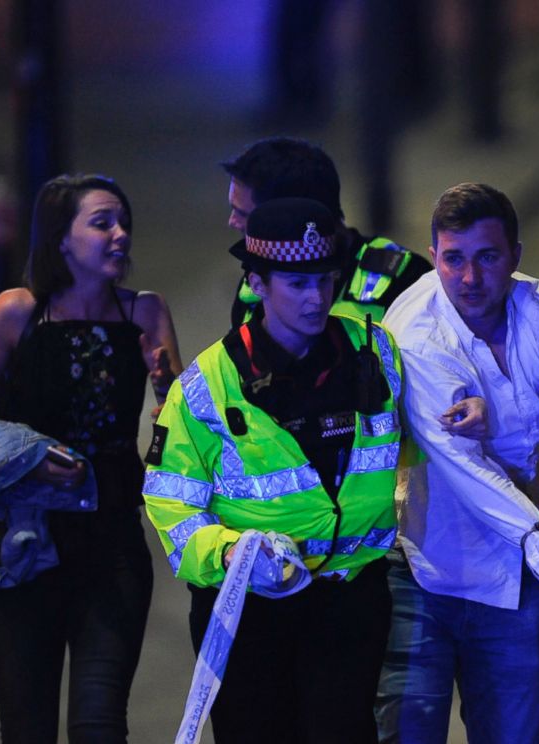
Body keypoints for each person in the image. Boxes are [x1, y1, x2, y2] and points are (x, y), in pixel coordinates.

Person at [143, 197, 404, 743]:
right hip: (249, 610)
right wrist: (227, 552)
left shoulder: (373, 349)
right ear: (256, 284)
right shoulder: (209, 383)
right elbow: (169, 499)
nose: (317, 298)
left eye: (326, 280)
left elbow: (417, 450)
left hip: (350, 598)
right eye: (297, 284)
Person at [376, 182, 539, 743]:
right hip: (422, 569)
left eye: (487, 257)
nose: (470, 278)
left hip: (513, 575)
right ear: (434, 256)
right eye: (453, 259)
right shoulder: (414, 332)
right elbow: (463, 468)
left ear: (516, 256)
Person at [0, 173, 181, 743]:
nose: (120, 234)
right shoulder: (17, 313)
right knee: (27, 729)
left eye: (124, 223)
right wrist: (24, 459)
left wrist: (167, 387)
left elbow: (183, 443)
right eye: (102, 223)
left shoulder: (144, 313)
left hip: (110, 547)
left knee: (99, 725)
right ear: (61, 238)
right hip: (24, 548)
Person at [221, 136, 431, 325]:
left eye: (243, 214)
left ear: (300, 217)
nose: (232, 222)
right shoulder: (257, 284)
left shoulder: (407, 283)